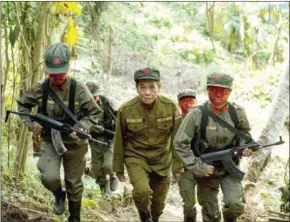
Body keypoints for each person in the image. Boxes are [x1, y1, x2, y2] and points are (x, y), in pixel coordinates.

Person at [16, 42, 102, 222]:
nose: (57, 77)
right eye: (52, 73)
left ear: (68, 68)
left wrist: (80, 128)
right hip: (50, 140)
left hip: (75, 143)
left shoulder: (79, 89)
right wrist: (32, 124)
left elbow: (95, 113)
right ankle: (58, 194)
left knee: (74, 183)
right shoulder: (40, 88)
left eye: (61, 72)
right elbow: (22, 105)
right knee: (49, 177)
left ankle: (75, 217)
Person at [173, 72, 255, 222]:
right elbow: (179, 143)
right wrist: (197, 166)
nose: (218, 94)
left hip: (230, 167)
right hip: (206, 170)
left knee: (235, 205)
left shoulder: (237, 112)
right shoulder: (197, 114)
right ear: (207, 90)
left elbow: (245, 135)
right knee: (211, 213)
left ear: (229, 92)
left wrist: (246, 148)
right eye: (213, 90)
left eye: (222, 91)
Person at [113, 67, 182, 222]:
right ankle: (144, 217)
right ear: (136, 88)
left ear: (159, 87)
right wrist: (118, 167)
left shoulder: (171, 107)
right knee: (142, 192)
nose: (147, 92)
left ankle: (153, 218)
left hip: (162, 160)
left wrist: (178, 167)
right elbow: (118, 139)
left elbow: (177, 140)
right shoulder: (126, 110)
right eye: (142, 87)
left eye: (152, 87)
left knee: (158, 206)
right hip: (136, 157)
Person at [85, 80, 119, 196]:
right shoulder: (82, 106)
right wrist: (91, 128)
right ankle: (104, 189)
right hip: (95, 140)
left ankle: (114, 175)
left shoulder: (107, 103)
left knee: (108, 166)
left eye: (93, 97)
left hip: (109, 138)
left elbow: (118, 118)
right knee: (97, 168)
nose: (92, 100)